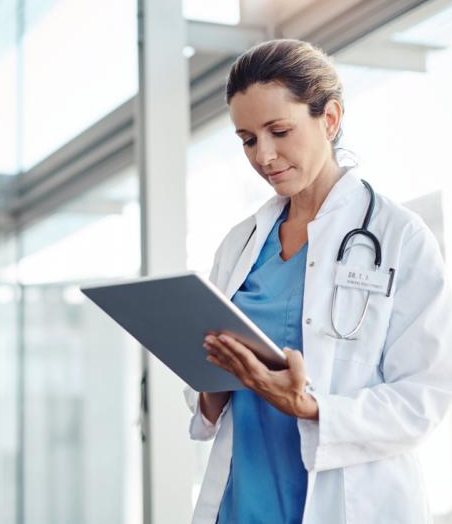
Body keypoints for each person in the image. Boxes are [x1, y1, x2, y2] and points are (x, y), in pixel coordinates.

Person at [184, 38, 452, 524]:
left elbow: (425, 398)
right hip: (241, 501)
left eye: (279, 131)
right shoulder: (241, 244)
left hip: (349, 503)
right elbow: (211, 392)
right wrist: (213, 386)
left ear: (329, 119)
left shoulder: (399, 237)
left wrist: (310, 407)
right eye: (247, 139)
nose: (263, 156)